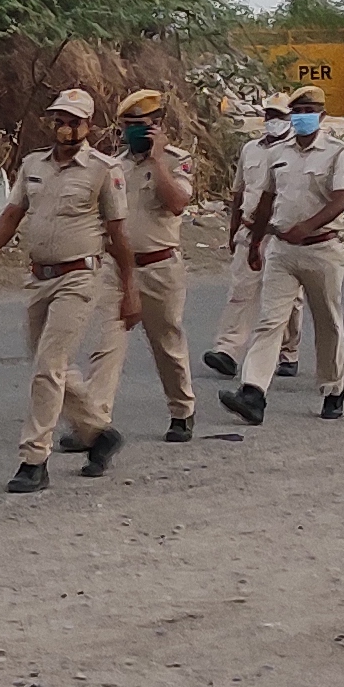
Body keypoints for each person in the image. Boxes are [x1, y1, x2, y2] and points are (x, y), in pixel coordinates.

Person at [0, 88, 141, 491]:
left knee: (48, 366)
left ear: (89, 126)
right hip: (38, 278)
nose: (65, 128)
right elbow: (14, 211)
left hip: (79, 277)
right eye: (60, 120)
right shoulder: (33, 164)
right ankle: (99, 432)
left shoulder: (103, 170)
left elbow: (118, 234)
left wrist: (130, 288)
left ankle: (33, 459)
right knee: (51, 366)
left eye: (73, 121)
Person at [224, 84, 344, 424]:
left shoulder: (337, 153)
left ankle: (333, 388)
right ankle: (253, 392)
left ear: (322, 116)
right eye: (296, 112)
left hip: (322, 249)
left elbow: (341, 198)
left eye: (308, 112)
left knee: (327, 321)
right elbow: (267, 199)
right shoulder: (278, 153)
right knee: (270, 321)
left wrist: (308, 226)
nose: (301, 118)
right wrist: (255, 242)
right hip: (282, 249)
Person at [100, 90, 202, 443]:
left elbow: (176, 203)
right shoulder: (114, 166)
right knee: (106, 343)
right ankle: (95, 421)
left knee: (167, 343)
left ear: (157, 127)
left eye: (141, 126)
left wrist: (157, 160)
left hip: (160, 267)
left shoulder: (176, 162)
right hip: (117, 268)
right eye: (128, 126)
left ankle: (181, 410)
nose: (134, 133)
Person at [205, 110, 302, 382]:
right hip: (248, 229)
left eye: (280, 115)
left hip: (279, 232)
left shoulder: (296, 152)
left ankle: (288, 352)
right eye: (270, 114)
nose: (274, 120)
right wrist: (233, 227)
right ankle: (227, 350)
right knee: (240, 291)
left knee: (288, 300)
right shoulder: (251, 149)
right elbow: (240, 191)